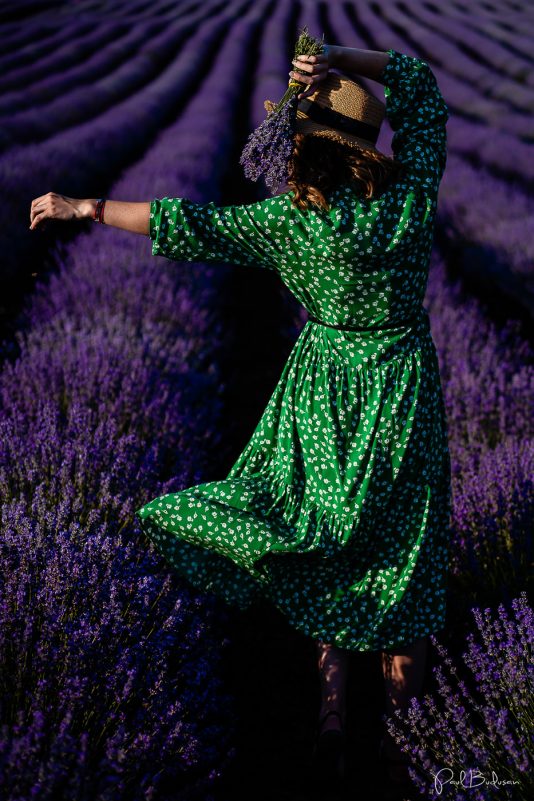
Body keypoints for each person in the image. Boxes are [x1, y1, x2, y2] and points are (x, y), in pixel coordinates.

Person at [29, 43, 451, 799]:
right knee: (401, 557)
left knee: (325, 542)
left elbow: (187, 224)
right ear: (367, 145)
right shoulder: (413, 193)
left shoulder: (290, 222)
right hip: (402, 392)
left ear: (304, 144)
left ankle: (328, 717)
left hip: (325, 388)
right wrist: (346, 59)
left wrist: (86, 206)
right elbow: (420, 83)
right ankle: (401, 744)